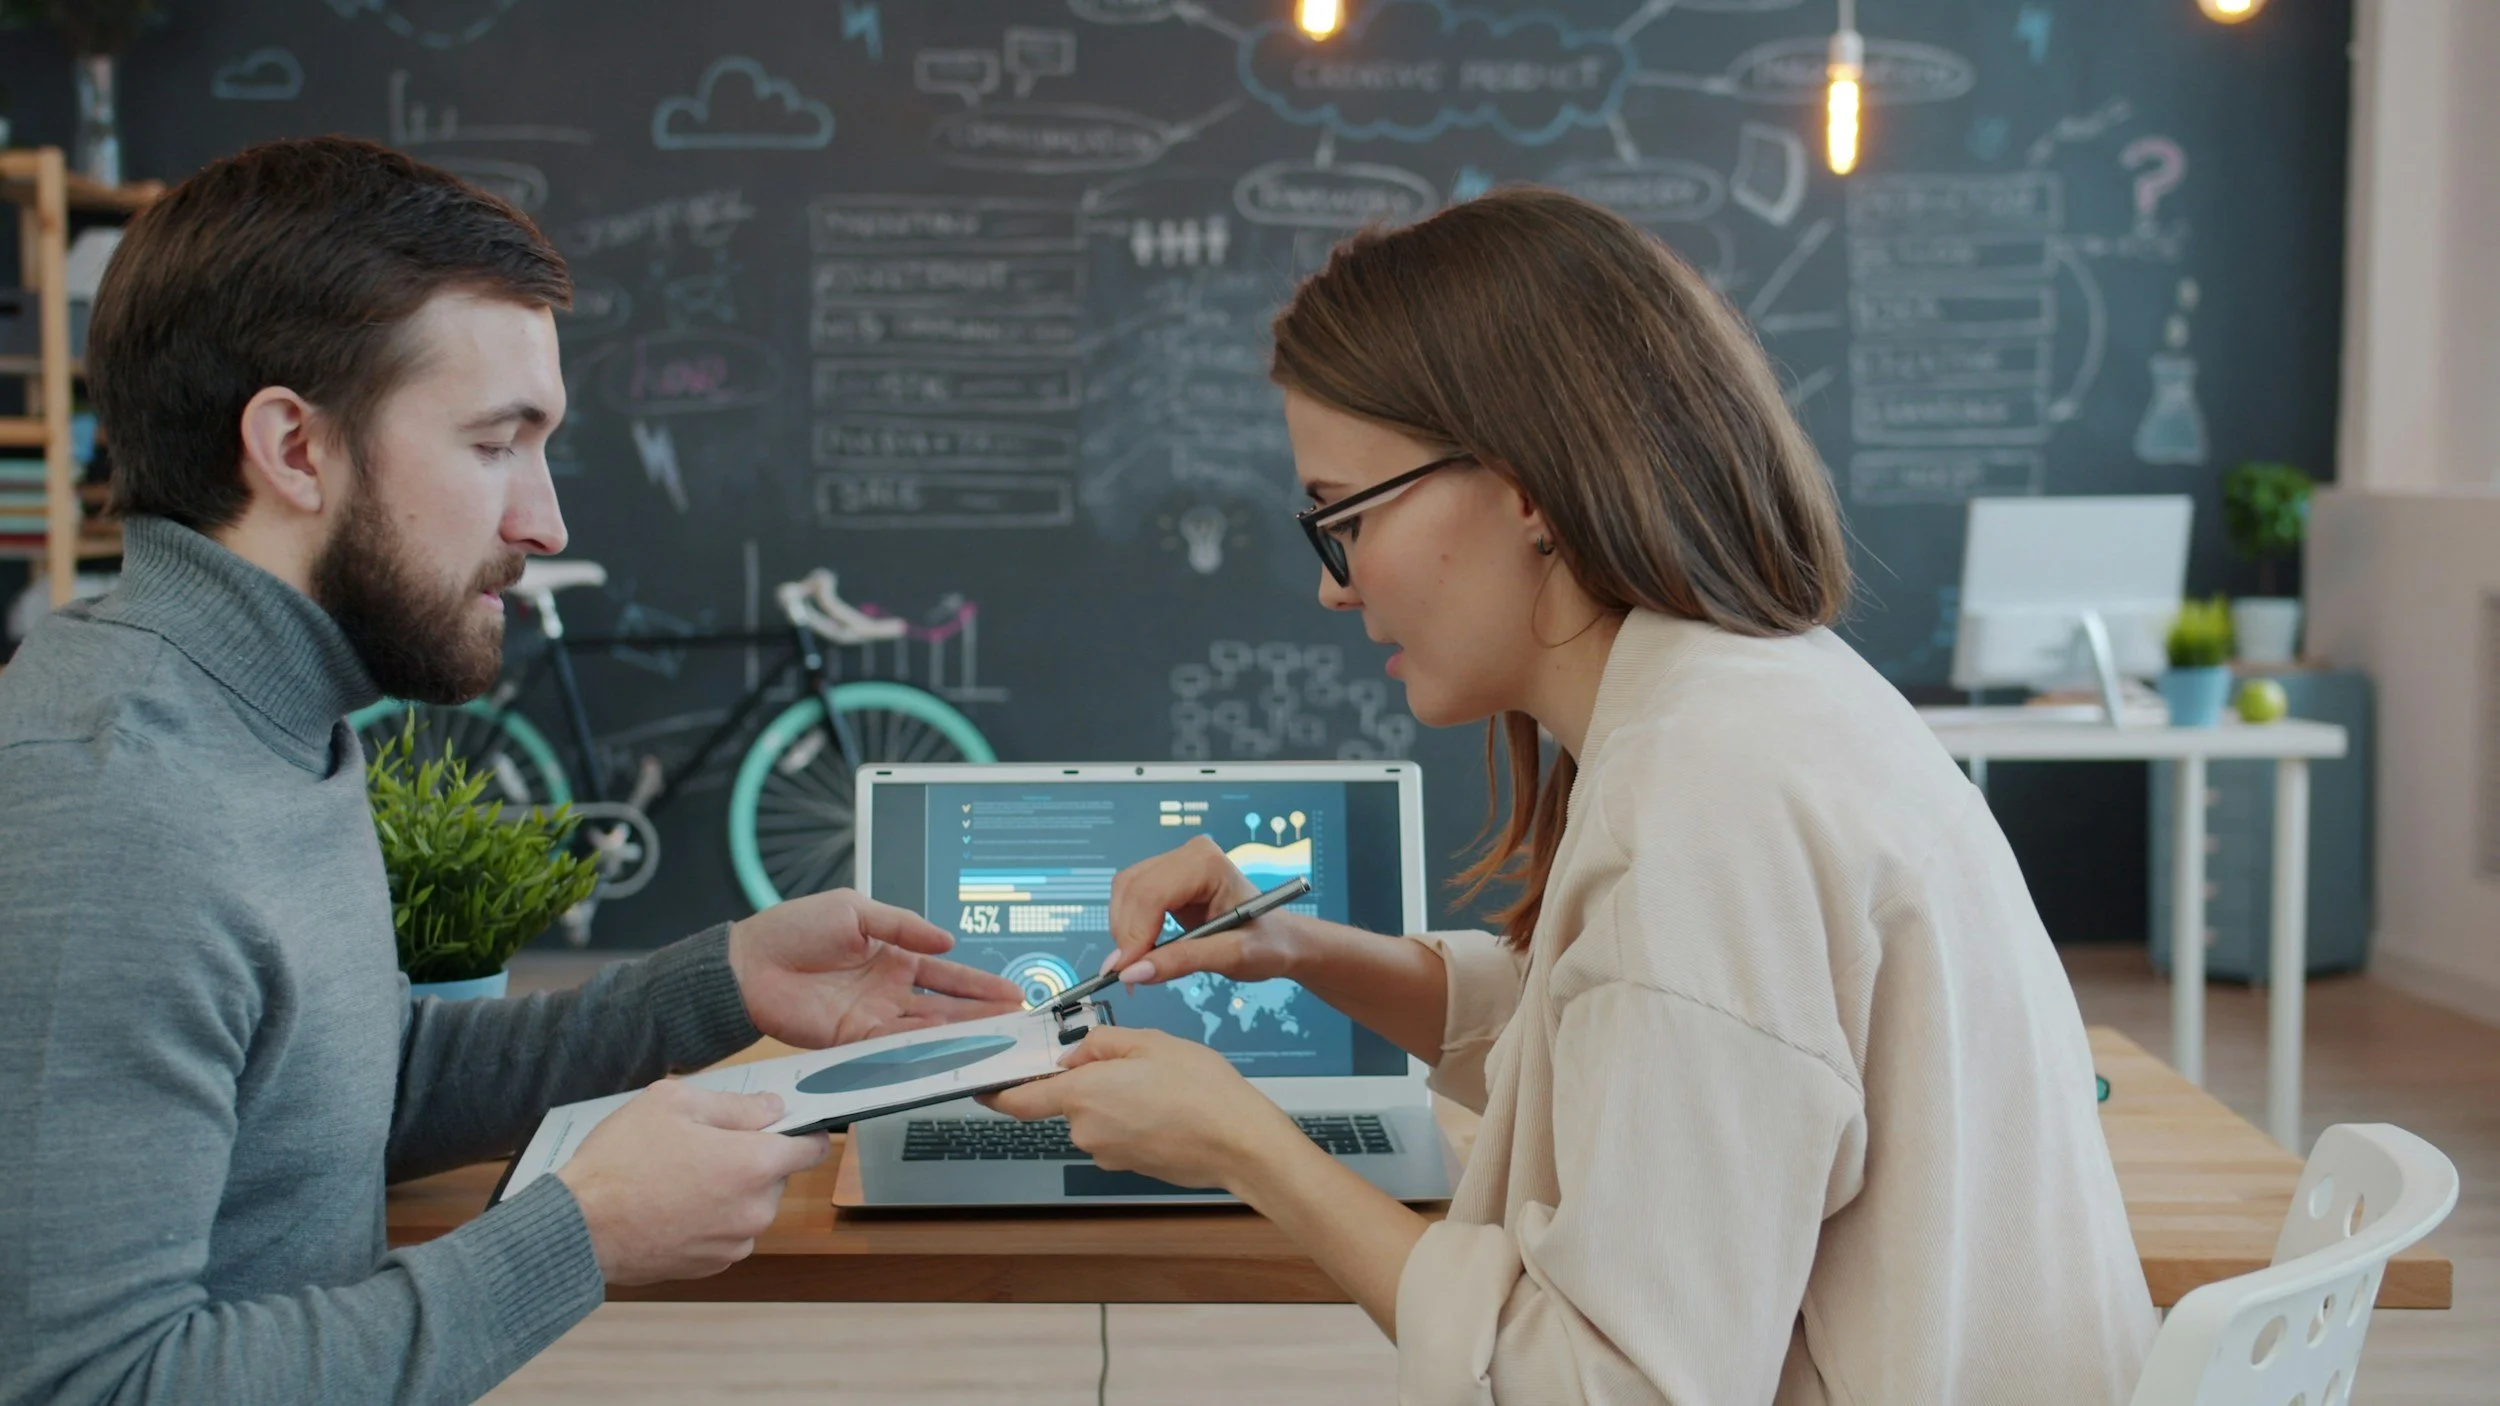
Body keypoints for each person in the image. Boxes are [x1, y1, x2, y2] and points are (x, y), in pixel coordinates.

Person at [986, 188, 2159, 1403]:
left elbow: (1606, 1384)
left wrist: (1245, 1143)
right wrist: (1293, 947)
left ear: (1525, 489)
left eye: (1340, 518)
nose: (1334, 589)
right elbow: (1629, 1045)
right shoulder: (1766, 693)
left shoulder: (1705, 803)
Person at [0, 138, 1023, 1405]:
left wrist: (720, 983)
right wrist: (576, 1235)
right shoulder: (111, 817)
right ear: (295, 449)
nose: (546, 522)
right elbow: (85, 1388)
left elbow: (330, 1092)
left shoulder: (263, 719)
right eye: (497, 444)